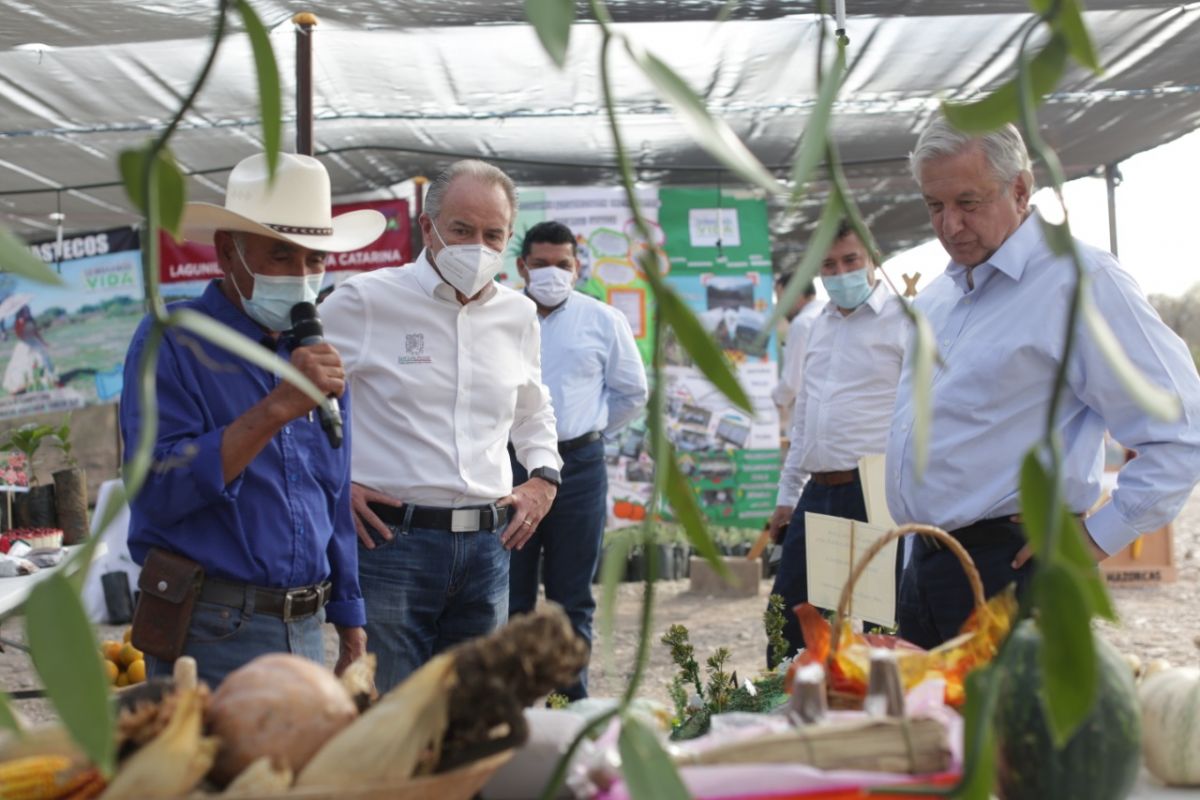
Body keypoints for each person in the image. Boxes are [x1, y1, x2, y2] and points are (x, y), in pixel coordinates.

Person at [887, 116, 1200, 648]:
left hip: (1011, 568)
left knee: (1013, 731)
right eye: (935, 206)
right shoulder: (940, 297)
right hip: (923, 566)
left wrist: (1098, 538)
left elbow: (1182, 431)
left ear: (1021, 189)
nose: (950, 226)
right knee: (932, 730)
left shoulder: (1079, 281)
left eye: (969, 202)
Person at [120, 152, 385, 687]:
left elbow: (330, 493)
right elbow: (156, 487)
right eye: (281, 256)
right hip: (211, 625)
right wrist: (275, 410)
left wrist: (351, 619)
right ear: (226, 252)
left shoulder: (315, 355)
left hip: (306, 623)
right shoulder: (172, 339)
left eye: (315, 261)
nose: (303, 277)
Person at [321, 159, 562, 693]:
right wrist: (332, 486)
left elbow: (532, 407)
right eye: (461, 229)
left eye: (492, 234)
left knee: (473, 718)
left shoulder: (518, 315)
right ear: (428, 228)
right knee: (394, 717)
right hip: (390, 545)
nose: (477, 245)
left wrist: (544, 477)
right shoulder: (363, 302)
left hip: (487, 548)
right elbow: (297, 402)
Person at [509, 220, 648, 700]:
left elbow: (633, 393)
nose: (552, 273)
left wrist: (590, 432)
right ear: (521, 266)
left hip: (579, 467)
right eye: (541, 264)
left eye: (562, 264)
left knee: (573, 598)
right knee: (511, 595)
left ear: (578, 267)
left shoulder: (602, 320)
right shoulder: (499, 315)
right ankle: (515, 705)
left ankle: (573, 709)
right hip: (511, 468)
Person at [765, 221, 908, 667]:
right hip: (820, 491)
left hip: (880, 491)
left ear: (873, 260)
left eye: (851, 260)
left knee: (885, 624)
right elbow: (805, 412)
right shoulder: (815, 324)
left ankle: (882, 721)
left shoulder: (905, 320)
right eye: (828, 264)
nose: (841, 272)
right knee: (791, 619)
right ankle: (792, 716)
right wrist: (788, 496)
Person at [771, 276, 821, 421]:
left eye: (780, 298)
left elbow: (792, 381)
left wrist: (777, 399)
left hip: (806, 416)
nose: (779, 306)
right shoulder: (826, 314)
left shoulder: (802, 323)